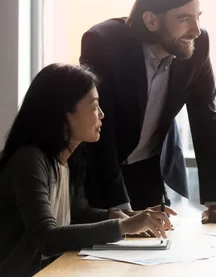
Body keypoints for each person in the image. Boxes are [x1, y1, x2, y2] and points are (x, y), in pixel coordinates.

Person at [79, 0, 216, 225]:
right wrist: (119, 208)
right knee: (100, 256)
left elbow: (206, 118)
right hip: (98, 172)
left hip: (147, 170)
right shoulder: (104, 43)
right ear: (150, 21)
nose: (196, 30)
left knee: (157, 251)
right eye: (184, 19)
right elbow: (101, 129)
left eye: (197, 17)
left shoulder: (198, 46)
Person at [0, 64, 175, 277]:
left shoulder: (66, 158)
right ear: (64, 114)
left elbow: (76, 213)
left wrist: (123, 215)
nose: (101, 115)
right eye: (93, 106)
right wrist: (123, 226)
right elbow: (46, 237)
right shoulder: (29, 160)